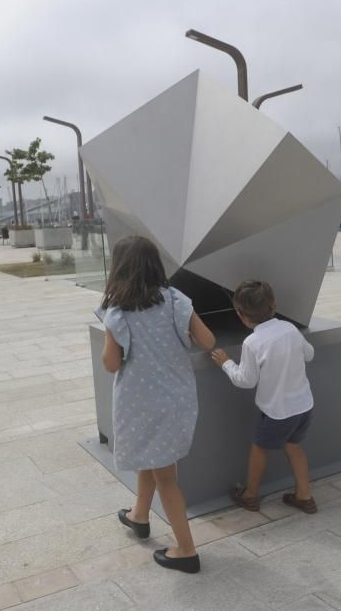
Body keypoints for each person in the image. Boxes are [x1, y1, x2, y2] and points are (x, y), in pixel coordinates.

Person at [97, 236, 215, 574]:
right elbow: (207, 341)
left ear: (119, 269)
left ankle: (187, 550)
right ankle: (139, 516)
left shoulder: (117, 312)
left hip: (139, 403)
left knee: (165, 475)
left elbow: (110, 364)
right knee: (154, 458)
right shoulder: (177, 300)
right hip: (177, 399)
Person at [211, 280, 317, 515]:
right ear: (273, 304)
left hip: (277, 412)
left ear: (240, 315)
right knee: (294, 446)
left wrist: (226, 363)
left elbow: (246, 380)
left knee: (260, 449)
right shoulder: (290, 329)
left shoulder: (252, 342)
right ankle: (305, 496)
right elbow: (309, 354)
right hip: (303, 406)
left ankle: (250, 495)